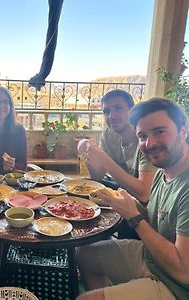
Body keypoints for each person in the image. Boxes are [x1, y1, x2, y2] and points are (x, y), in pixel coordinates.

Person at [76, 98, 189, 300]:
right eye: (143, 136)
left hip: (177, 286)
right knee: (83, 254)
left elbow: (183, 271)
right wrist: (127, 203)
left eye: (159, 131)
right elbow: (157, 221)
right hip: (152, 258)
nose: (150, 143)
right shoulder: (164, 172)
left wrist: (133, 216)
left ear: (184, 131)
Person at [78, 89, 156, 204]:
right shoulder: (108, 134)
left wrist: (105, 160)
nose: (111, 116)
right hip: (121, 190)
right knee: (81, 188)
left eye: (118, 108)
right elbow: (97, 176)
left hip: (146, 203)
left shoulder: (146, 139)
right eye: (106, 111)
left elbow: (145, 194)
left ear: (132, 111)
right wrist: (88, 154)